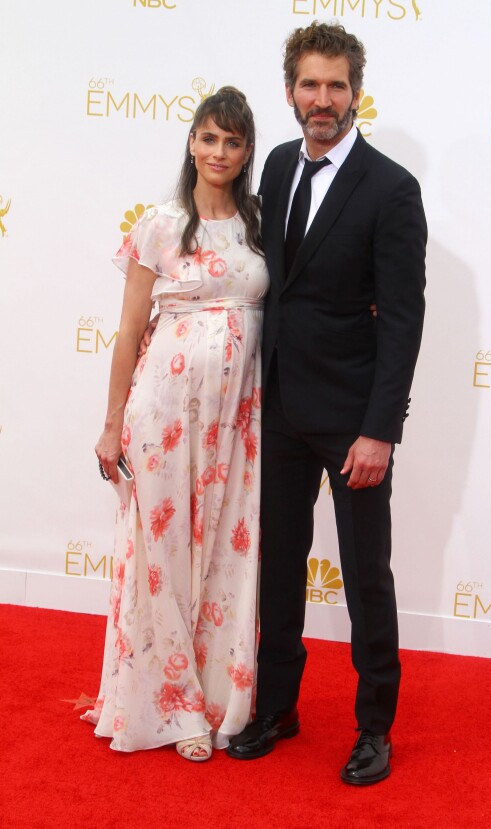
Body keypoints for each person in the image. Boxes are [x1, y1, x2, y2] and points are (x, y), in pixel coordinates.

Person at [226, 22, 427, 786]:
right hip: (279, 409)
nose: (322, 99)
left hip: (352, 423)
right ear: (290, 92)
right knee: (278, 568)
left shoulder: (390, 188)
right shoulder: (276, 166)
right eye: (309, 85)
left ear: (356, 94)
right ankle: (278, 705)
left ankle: (375, 724)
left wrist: (381, 430)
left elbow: (403, 320)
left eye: (336, 85)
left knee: (365, 575)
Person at [84, 87, 268, 762]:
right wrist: (111, 426)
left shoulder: (259, 223)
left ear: (246, 152)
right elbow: (130, 330)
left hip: (236, 420)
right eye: (209, 137)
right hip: (161, 411)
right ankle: (173, 705)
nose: (219, 152)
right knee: (160, 557)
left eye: (234, 141)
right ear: (192, 142)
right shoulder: (159, 225)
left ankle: (221, 696)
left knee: (224, 553)